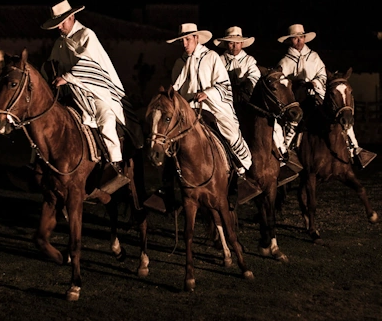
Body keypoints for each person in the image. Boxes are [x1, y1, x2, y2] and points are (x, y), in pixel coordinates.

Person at [144, 23, 261, 213]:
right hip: (187, 109)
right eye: (182, 40)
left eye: (188, 39)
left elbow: (223, 85)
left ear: (196, 39)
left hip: (211, 106)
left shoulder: (211, 57)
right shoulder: (179, 63)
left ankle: (239, 175)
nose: (184, 43)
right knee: (169, 140)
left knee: (229, 132)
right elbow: (176, 91)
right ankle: (166, 188)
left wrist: (208, 93)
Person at [40, 0, 144, 199]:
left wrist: (67, 77)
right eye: (57, 24)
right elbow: (52, 63)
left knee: (106, 119)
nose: (60, 27)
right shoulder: (59, 43)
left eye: (62, 22)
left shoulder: (87, 35)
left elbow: (91, 65)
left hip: (95, 92)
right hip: (72, 94)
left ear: (72, 17)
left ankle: (114, 168)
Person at [277, 23, 376, 168]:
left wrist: (315, 83)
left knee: (342, 114)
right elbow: (280, 82)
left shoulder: (314, 57)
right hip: (297, 100)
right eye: (295, 38)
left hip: (318, 95)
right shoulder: (284, 62)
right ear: (290, 41)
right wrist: (295, 84)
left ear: (305, 38)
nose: (299, 41)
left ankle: (354, 149)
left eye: (301, 37)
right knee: (293, 122)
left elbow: (323, 75)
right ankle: (287, 152)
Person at [214, 26, 300, 185]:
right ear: (226, 44)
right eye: (231, 43)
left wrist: (247, 84)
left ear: (242, 44)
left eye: (238, 43)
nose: (235, 46)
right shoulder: (218, 61)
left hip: (248, 104)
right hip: (226, 104)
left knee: (273, 126)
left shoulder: (249, 61)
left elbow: (254, 75)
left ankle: (281, 157)